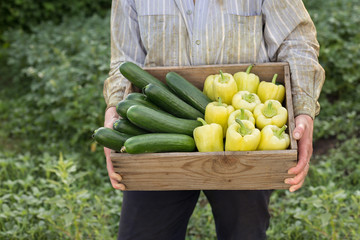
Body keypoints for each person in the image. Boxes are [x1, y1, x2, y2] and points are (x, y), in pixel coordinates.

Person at [103, 0, 325, 239]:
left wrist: (303, 109)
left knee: (245, 234)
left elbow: (297, 40)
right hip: (156, 125)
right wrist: (114, 108)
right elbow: (125, 60)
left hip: (247, 135)